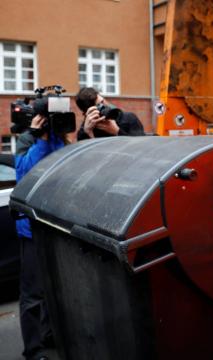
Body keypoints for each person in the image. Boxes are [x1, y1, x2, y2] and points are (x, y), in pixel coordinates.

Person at [15, 113, 70, 360]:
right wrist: (40, 139)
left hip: (58, 227)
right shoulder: (28, 139)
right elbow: (26, 174)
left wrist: (68, 137)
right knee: (33, 296)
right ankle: (34, 349)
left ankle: (50, 335)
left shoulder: (61, 138)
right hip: (32, 229)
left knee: (55, 292)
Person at [75, 87, 145, 140]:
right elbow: (87, 157)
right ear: (86, 114)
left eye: (102, 102)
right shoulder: (85, 130)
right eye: (99, 107)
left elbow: (140, 147)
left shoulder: (128, 119)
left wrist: (117, 131)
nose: (104, 106)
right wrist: (88, 133)